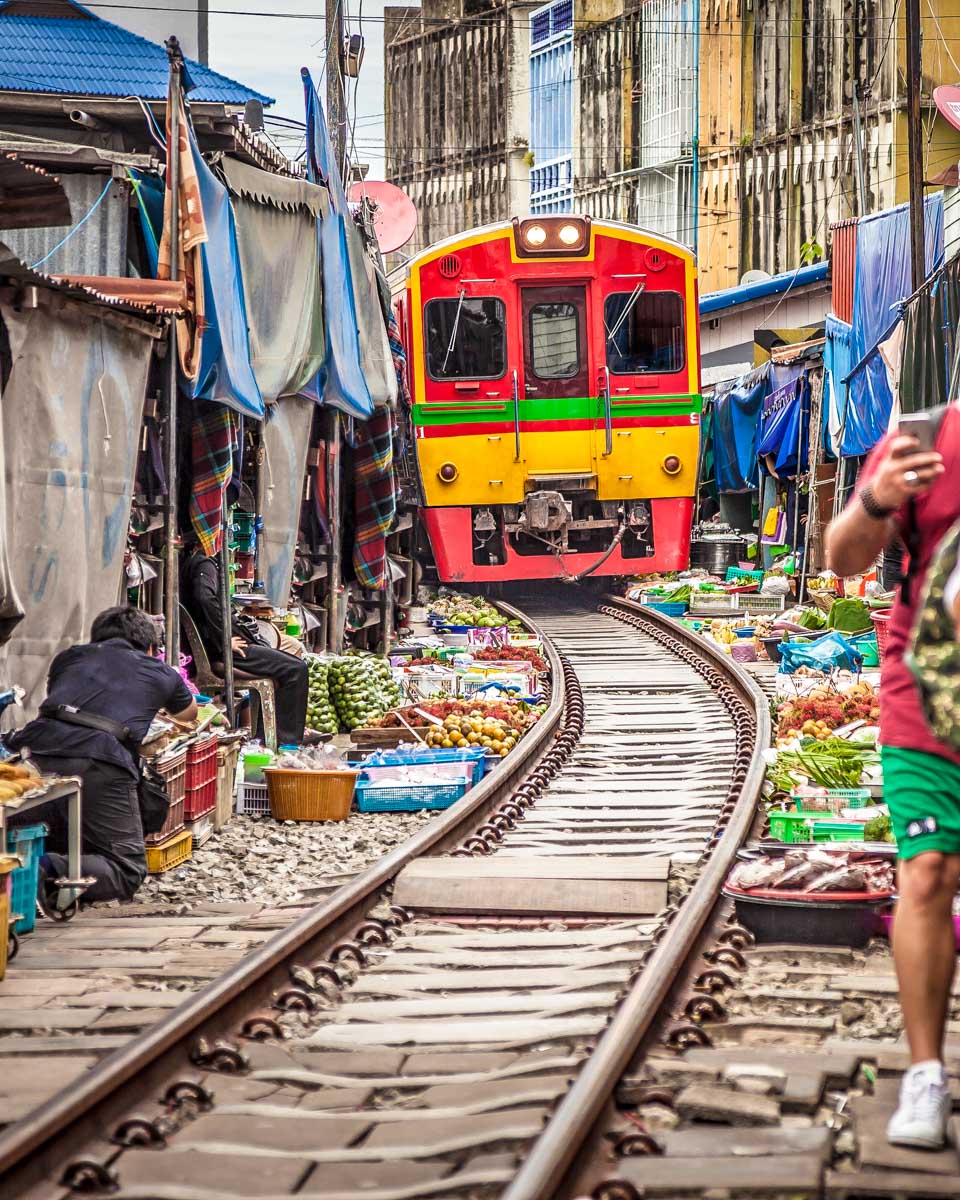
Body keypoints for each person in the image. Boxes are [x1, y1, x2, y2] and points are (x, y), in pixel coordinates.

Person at [826, 411, 957, 1149]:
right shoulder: (931, 437)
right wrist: (877, 498)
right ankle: (926, 1075)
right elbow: (840, 555)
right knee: (929, 871)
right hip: (926, 696)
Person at [5, 607, 198, 904]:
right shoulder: (160, 671)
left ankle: (21, 869)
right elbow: (189, 713)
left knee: (35, 827)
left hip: (32, 751)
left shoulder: (69, 657)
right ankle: (38, 871)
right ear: (149, 646)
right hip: (101, 758)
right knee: (127, 869)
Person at [181, 544, 309, 747]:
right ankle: (287, 743)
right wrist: (224, 640)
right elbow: (204, 598)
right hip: (225, 651)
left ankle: (268, 737)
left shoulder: (194, 564)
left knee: (289, 662)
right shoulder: (203, 564)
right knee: (296, 669)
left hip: (225, 646)